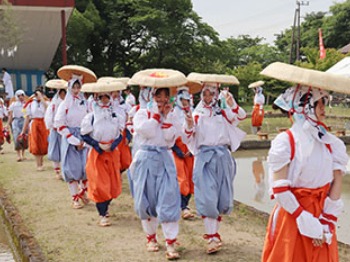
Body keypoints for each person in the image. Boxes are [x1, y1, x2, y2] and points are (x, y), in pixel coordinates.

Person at [260, 62, 349, 262]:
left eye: (324, 103)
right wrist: (303, 217)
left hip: (322, 214)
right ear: (304, 106)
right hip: (293, 216)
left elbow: (336, 181)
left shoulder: (330, 143)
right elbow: (279, 187)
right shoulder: (286, 142)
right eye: (319, 103)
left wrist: (327, 219)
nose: (323, 109)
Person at [184, 73, 246, 254]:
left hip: (223, 157)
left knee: (222, 198)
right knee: (207, 198)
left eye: (211, 93)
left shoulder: (223, 111)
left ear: (216, 93)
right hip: (204, 158)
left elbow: (240, 116)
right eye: (205, 94)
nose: (208, 97)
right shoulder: (196, 113)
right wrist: (188, 122)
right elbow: (188, 133)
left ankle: (214, 234)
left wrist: (231, 102)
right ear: (201, 95)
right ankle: (210, 237)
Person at [80, 82, 125, 227]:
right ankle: (102, 213)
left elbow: (120, 134)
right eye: (101, 97)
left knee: (112, 183)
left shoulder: (116, 115)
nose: (104, 100)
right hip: (98, 153)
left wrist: (112, 145)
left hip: (112, 152)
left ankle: (106, 206)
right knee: (100, 183)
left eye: (107, 97)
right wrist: (98, 145)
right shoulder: (91, 117)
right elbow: (85, 135)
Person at [55, 65, 96, 209]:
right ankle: (75, 198)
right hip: (70, 136)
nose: (76, 90)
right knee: (72, 169)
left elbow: (90, 118)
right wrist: (73, 139)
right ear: (69, 87)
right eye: (74, 87)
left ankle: (83, 192)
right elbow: (59, 123)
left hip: (83, 135)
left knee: (84, 169)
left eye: (79, 87)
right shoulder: (65, 104)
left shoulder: (86, 103)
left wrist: (85, 138)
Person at [172, 87, 195, 219]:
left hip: (190, 149)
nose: (185, 103)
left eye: (187, 100)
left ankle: (185, 204)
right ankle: (183, 206)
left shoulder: (192, 112)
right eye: (183, 100)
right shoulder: (173, 113)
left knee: (190, 177)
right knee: (181, 177)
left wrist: (191, 150)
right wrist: (177, 149)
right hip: (177, 149)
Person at [21, 89, 49, 171]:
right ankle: (38, 164)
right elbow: (27, 117)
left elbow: (48, 109)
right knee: (35, 143)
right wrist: (23, 131)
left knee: (43, 143)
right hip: (34, 123)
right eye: (36, 94)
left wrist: (42, 98)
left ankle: (41, 161)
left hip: (43, 123)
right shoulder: (30, 103)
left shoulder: (46, 102)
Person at [44, 81, 67, 179]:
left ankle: (64, 171)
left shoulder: (68, 103)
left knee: (65, 151)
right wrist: (52, 126)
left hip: (65, 130)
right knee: (55, 151)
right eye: (62, 93)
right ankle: (57, 171)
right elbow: (49, 117)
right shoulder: (53, 104)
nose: (63, 95)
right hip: (55, 129)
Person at [7, 90, 28, 161]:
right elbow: (10, 115)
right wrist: (7, 124)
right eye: (18, 96)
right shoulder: (13, 104)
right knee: (16, 137)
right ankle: (18, 155)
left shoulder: (26, 104)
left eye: (22, 95)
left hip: (24, 120)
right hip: (15, 121)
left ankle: (23, 154)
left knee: (24, 137)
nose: (20, 97)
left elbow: (28, 115)